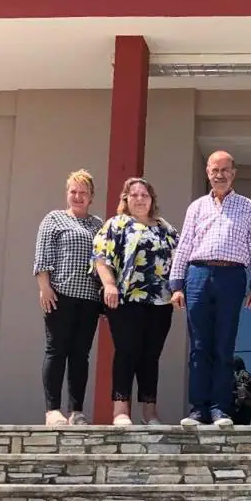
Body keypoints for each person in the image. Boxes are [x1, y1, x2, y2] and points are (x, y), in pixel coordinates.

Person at [169, 150, 251, 428]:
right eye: (214, 170)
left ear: (233, 173)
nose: (219, 175)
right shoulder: (196, 207)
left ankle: (220, 408)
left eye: (224, 170)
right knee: (199, 346)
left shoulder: (247, 206)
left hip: (231, 276)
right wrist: (177, 284)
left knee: (224, 345)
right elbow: (184, 245)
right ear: (207, 173)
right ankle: (198, 409)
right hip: (198, 275)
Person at [92, 177, 178, 426]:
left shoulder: (165, 228)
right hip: (126, 299)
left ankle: (150, 413)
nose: (140, 199)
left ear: (152, 200)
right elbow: (100, 257)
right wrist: (109, 284)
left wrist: (178, 289)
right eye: (135, 195)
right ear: (126, 199)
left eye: (145, 195)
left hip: (160, 301)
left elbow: (179, 260)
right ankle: (120, 410)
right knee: (127, 351)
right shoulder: (117, 224)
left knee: (151, 355)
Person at [32, 169, 104, 426]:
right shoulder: (54, 219)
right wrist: (45, 287)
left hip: (89, 299)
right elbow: (43, 255)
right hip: (59, 296)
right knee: (56, 350)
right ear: (67, 194)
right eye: (73, 191)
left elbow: (104, 261)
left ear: (91, 196)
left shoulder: (98, 225)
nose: (78, 196)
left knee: (80, 355)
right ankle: (52, 410)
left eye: (83, 192)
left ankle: (76, 411)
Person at [231, 357, 251, 425]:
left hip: (243, 406)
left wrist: (238, 404)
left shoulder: (243, 374)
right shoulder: (236, 374)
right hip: (242, 405)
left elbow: (242, 389)